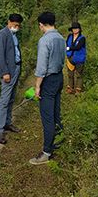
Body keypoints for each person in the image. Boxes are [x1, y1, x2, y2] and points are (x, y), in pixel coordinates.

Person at [30, 12, 65, 165]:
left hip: (49, 80)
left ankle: (46, 152)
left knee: (47, 116)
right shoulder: (60, 38)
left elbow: (42, 66)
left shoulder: (45, 40)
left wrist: (38, 86)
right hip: (59, 77)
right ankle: (58, 140)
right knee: (56, 112)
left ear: (42, 24)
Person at [0, 13, 24, 145]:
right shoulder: (2, 34)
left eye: (18, 26)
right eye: (15, 25)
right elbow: (0, 55)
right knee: (4, 100)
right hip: (8, 71)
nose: (16, 27)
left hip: (16, 68)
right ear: (9, 22)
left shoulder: (14, 35)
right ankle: (0, 130)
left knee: (11, 98)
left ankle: (7, 123)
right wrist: (5, 72)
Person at [65, 22, 86, 94]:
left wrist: (69, 48)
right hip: (70, 57)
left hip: (79, 59)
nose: (75, 30)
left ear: (79, 29)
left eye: (76, 28)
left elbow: (78, 47)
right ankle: (70, 88)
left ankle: (78, 90)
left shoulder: (82, 38)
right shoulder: (69, 36)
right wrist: (69, 48)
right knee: (70, 74)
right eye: (73, 28)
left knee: (79, 74)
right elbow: (66, 44)